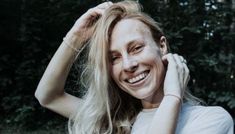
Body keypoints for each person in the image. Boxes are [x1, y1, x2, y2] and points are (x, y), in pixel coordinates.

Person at [35, 1, 234, 134]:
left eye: (137, 48)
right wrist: (75, 37)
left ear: (162, 46)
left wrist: (173, 96)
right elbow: (48, 96)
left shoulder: (211, 120)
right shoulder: (115, 122)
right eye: (114, 58)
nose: (129, 65)